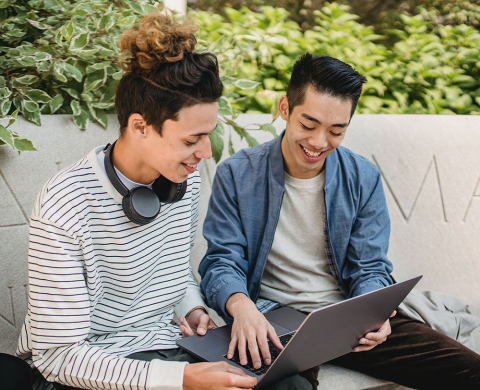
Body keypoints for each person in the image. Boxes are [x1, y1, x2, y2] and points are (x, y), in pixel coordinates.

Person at [199, 54, 480, 390]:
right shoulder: (238, 173)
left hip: (347, 319)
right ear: (285, 108)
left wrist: (375, 314)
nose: (319, 143)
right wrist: (241, 307)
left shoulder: (363, 177)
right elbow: (221, 261)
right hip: (274, 319)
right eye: (308, 125)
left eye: (336, 131)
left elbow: (371, 267)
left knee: (470, 371)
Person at [15, 12, 262, 390]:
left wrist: (191, 307)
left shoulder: (183, 183)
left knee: (286, 380)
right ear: (140, 126)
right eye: (191, 140)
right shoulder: (64, 203)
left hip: (165, 346)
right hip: (86, 368)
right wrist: (181, 379)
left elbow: (174, 272)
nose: (206, 153)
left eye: (208, 136)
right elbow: (57, 355)